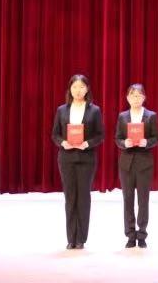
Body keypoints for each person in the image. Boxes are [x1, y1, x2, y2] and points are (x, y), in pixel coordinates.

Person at [50, 74, 105, 250]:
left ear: (87, 89)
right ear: (70, 89)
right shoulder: (62, 110)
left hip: (86, 158)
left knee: (83, 197)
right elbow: (55, 134)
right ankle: (70, 237)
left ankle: (81, 238)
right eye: (75, 87)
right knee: (70, 197)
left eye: (82, 87)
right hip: (66, 158)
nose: (78, 90)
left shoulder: (94, 110)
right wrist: (62, 142)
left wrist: (87, 143)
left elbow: (100, 135)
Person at [114, 83, 158, 248]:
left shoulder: (151, 116)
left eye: (139, 95)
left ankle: (142, 234)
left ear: (144, 98)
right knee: (128, 200)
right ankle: (130, 234)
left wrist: (147, 142)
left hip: (144, 163)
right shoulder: (122, 116)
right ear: (127, 98)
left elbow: (156, 138)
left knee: (143, 200)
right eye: (133, 95)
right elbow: (117, 138)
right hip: (126, 163)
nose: (136, 98)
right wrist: (123, 143)